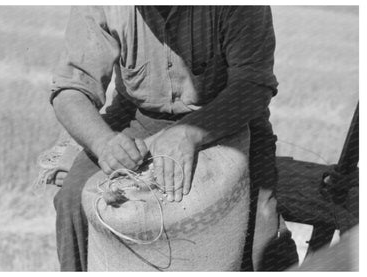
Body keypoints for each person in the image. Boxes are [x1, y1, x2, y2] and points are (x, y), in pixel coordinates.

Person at [51, 6, 279, 271]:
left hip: (227, 113)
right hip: (136, 115)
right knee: (71, 199)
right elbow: (70, 90)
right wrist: (104, 143)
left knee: (263, 220)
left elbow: (253, 86)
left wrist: (189, 132)